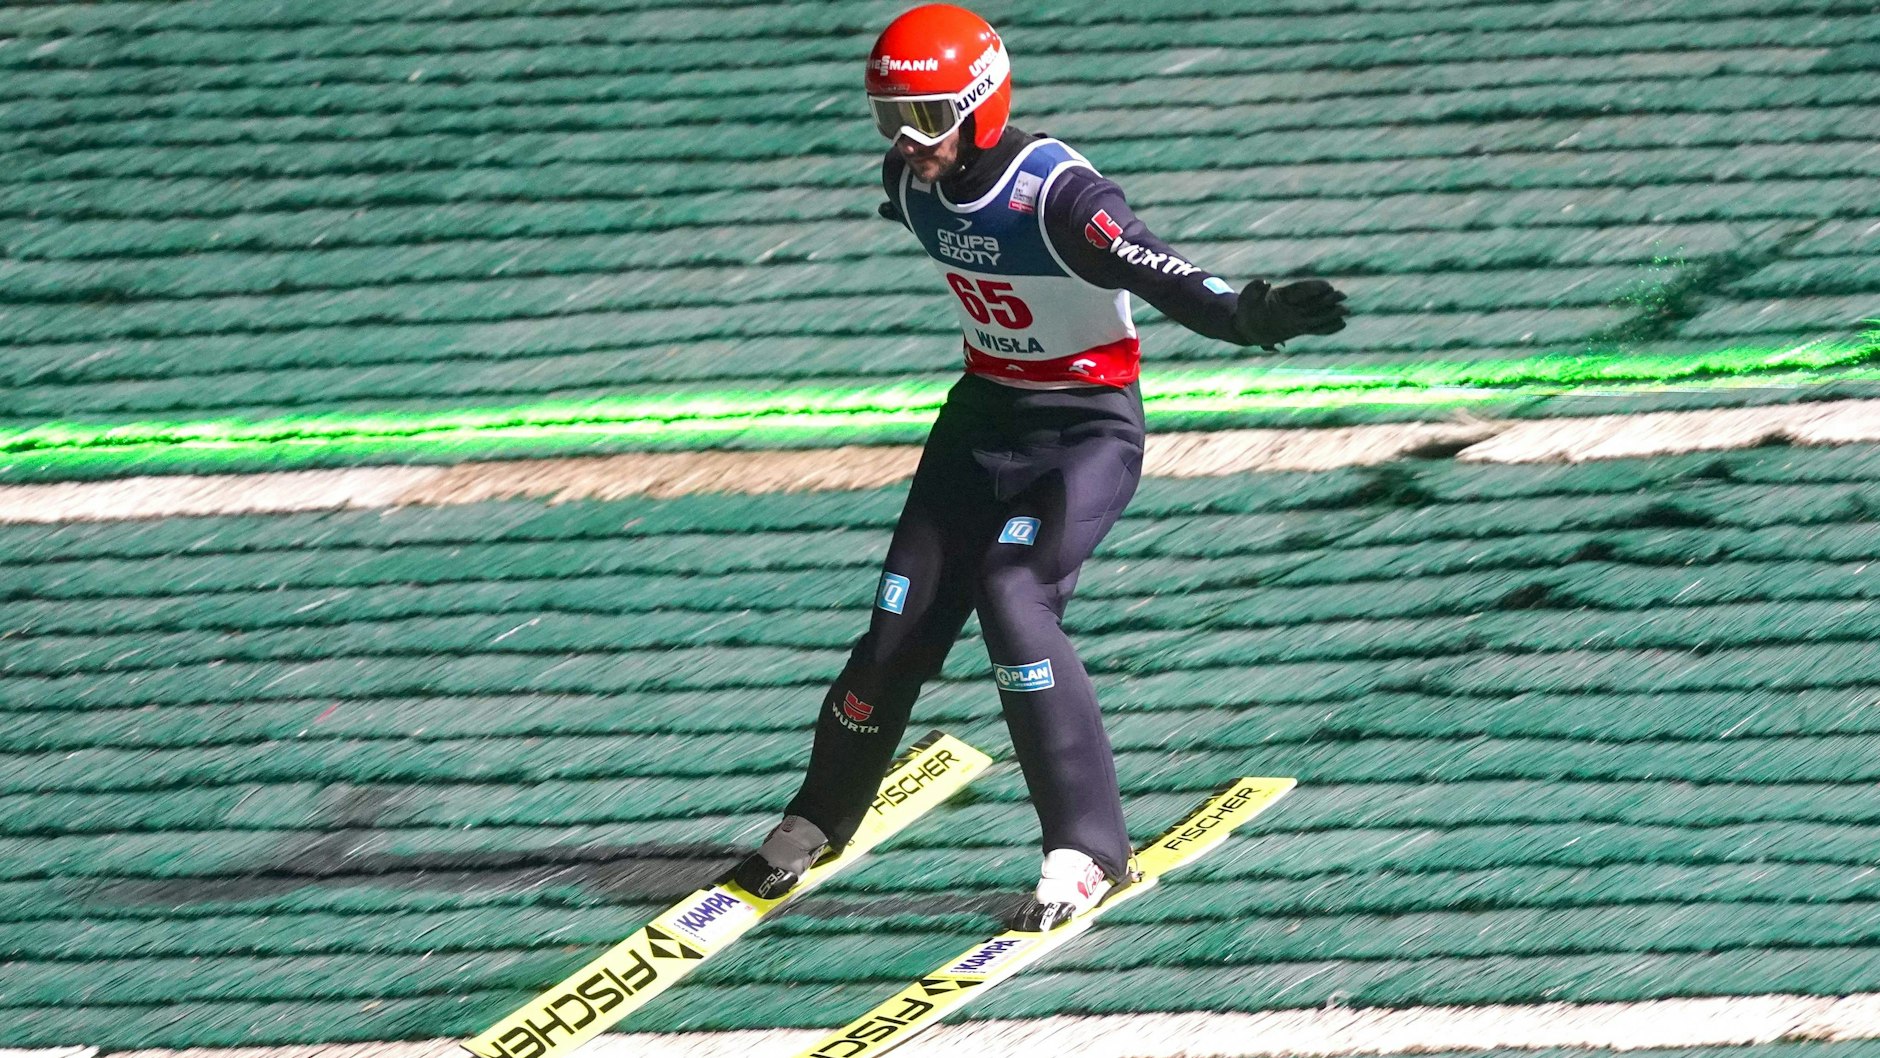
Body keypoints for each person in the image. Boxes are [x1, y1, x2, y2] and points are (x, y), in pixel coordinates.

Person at [733, 3, 1349, 931]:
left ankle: (1087, 850)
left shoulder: (1060, 196)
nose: (909, 142)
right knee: (897, 626)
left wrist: (1251, 313)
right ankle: (819, 816)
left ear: (982, 107)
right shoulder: (910, 182)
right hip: (981, 419)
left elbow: (1164, 273)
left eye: (929, 118)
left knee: (1014, 594)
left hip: (1085, 429)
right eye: (891, 119)